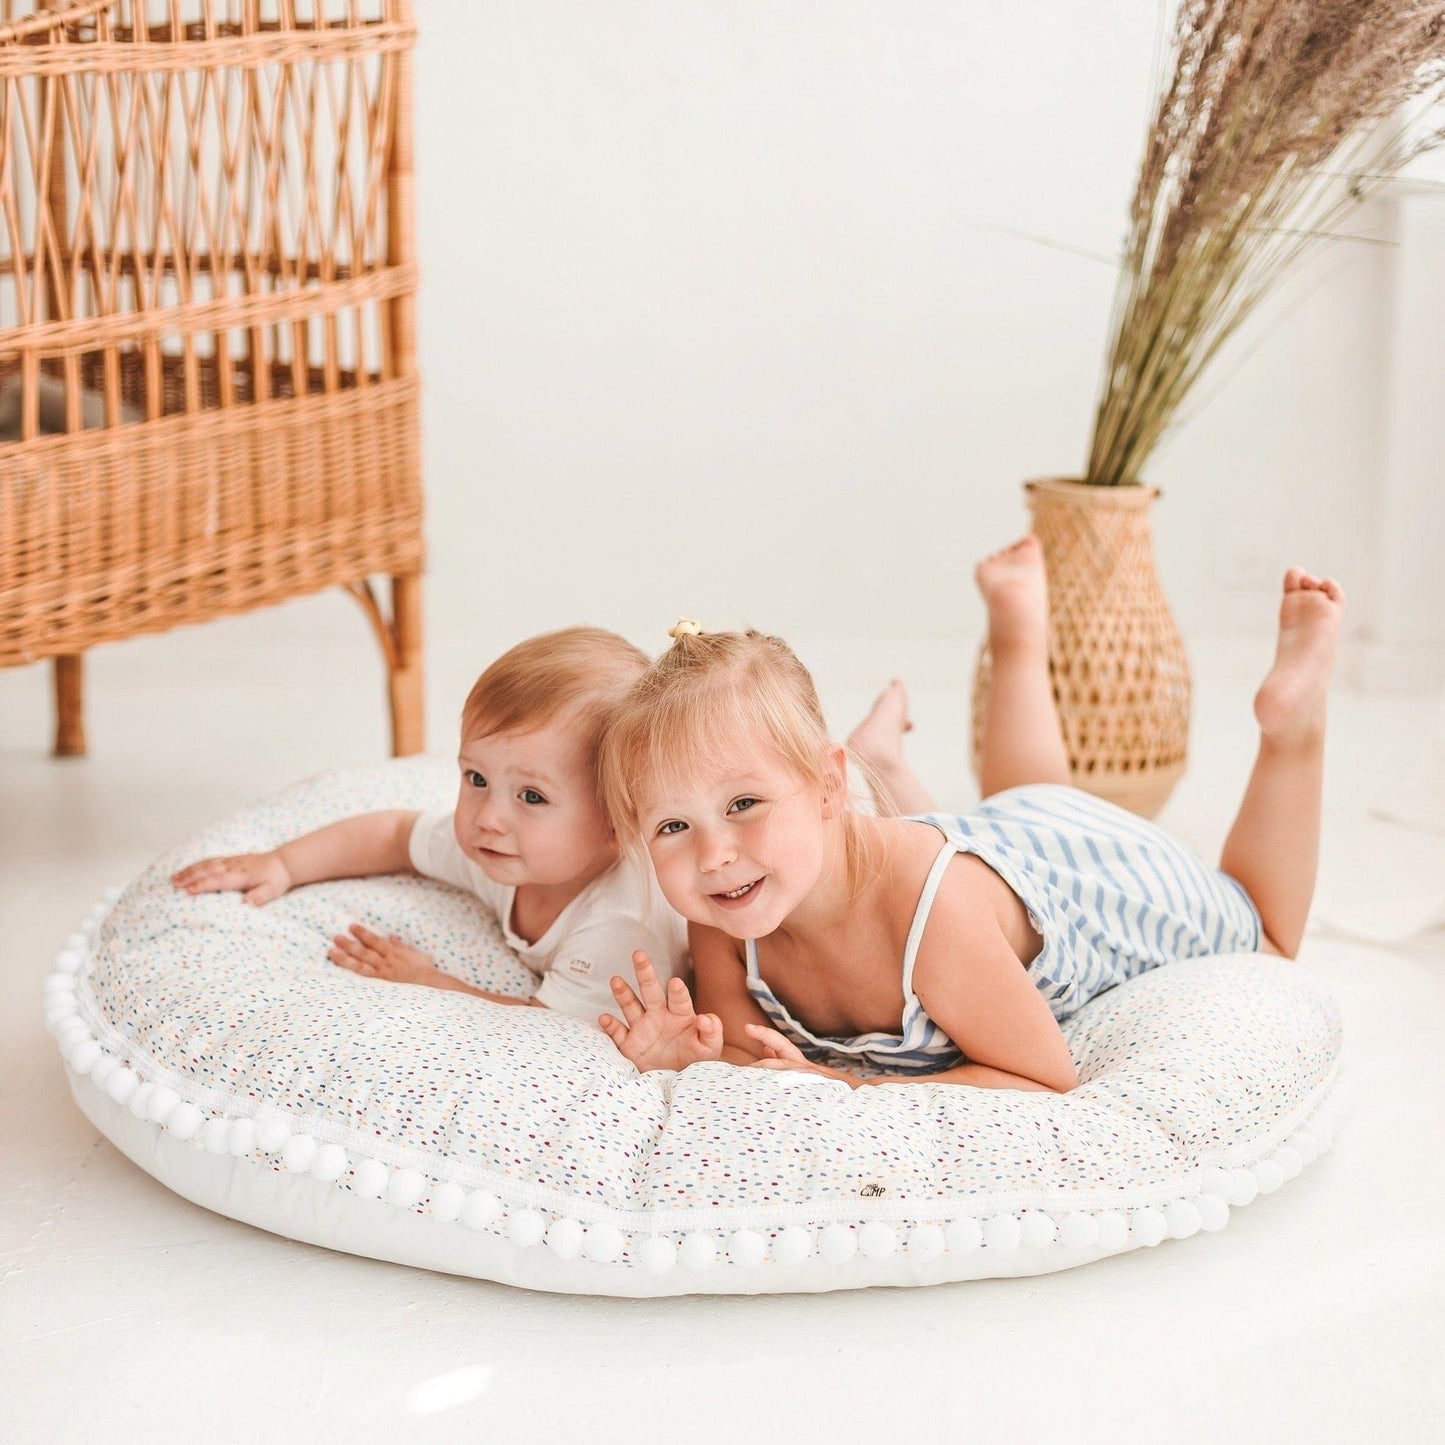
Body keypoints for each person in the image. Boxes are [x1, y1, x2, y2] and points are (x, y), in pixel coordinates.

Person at [594, 536, 1344, 1090]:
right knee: (1015, 801)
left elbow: (1043, 1077)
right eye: (671, 826)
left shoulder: (933, 921)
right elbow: (745, 1056)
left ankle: (1293, 727)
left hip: (1091, 870)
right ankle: (1018, 633)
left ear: (829, 785)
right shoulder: (725, 909)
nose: (712, 852)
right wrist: (686, 1054)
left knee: (1266, 932)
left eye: (743, 804)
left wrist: (855, 1087)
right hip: (997, 834)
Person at [172, 626, 689, 1021]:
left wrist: (428, 981)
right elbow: (396, 836)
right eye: (476, 778)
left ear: (620, 822)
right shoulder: (498, 848)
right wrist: (283, 864)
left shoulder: (622, 923)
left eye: (532, 796)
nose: (488, 817)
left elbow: (554, 1033)